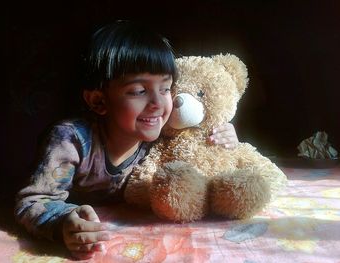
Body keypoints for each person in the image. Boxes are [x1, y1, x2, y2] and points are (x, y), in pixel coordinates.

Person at [14, 20, 239, 260]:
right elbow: (32, 200)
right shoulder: (71, 140)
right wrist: (63, 224)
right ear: (98, 101)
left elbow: (200, 157)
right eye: (138, 91)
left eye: (165, 89)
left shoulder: (162, 136)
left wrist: (223, 137)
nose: (157, 104)